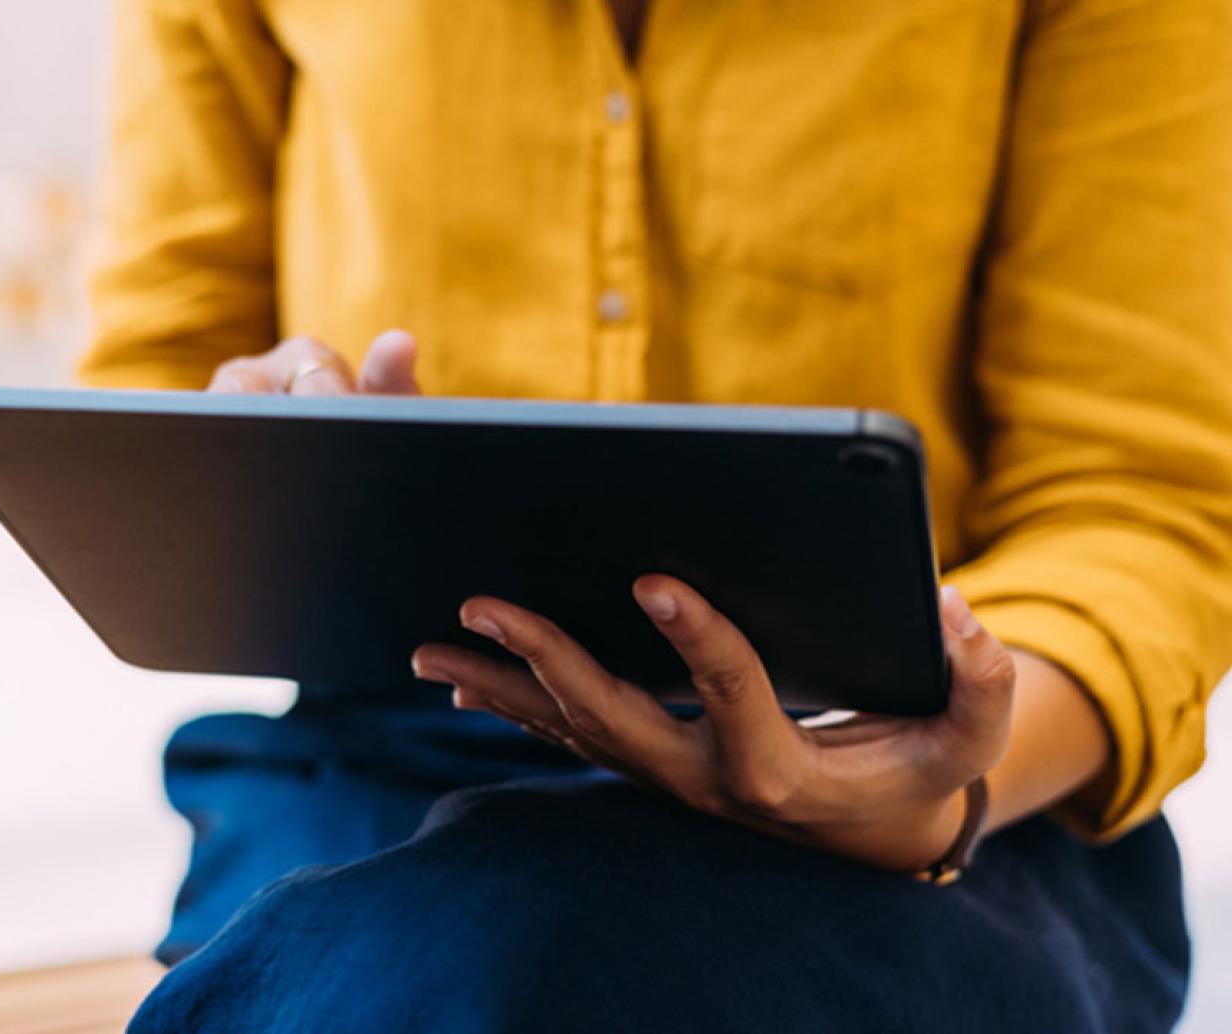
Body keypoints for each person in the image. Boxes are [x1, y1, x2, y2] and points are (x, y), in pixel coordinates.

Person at [81, 1, 1232, 1030]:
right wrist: (274, 429)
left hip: (935, 794)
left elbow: (1137, 495)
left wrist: (934, 789)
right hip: (394, 748)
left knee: (467, 959)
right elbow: (163, 376)